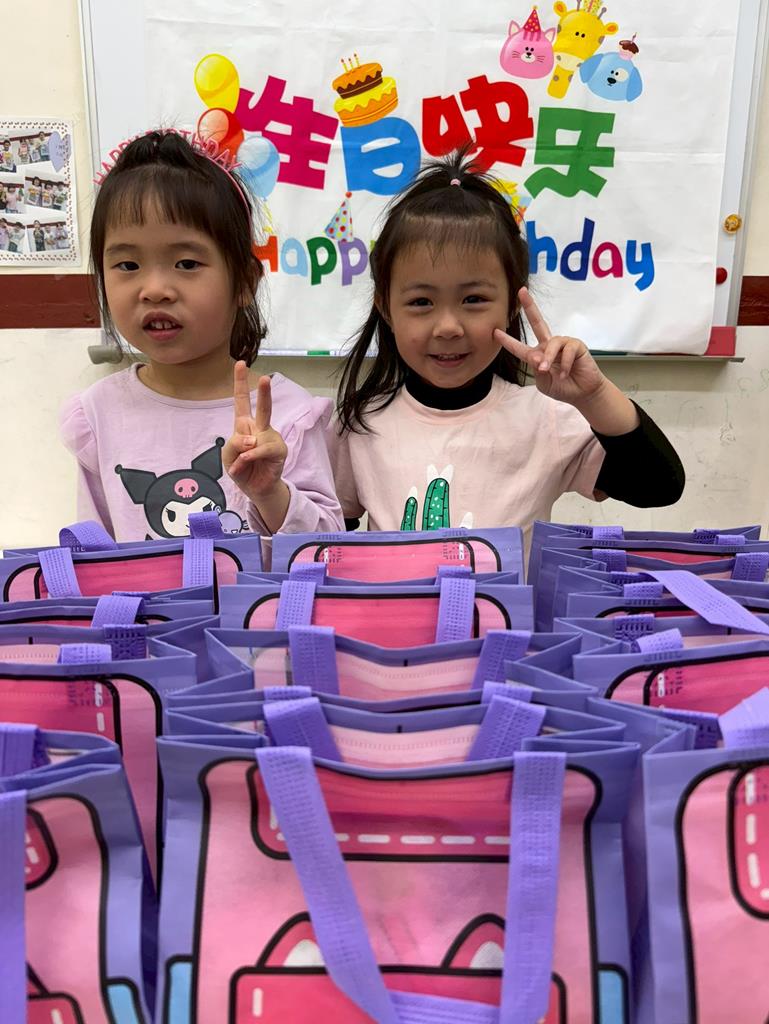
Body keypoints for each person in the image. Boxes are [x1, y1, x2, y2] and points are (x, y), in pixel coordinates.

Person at [330, 150, 684, 545]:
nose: (448, 327)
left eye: (474, 299)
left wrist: (594, 396)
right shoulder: (361, 422)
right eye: (421, 302)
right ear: (386, 308)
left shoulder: (545, 418)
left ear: (513, 303)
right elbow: (324, 536)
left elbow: (659, 486)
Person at [60, 129, 342, 541]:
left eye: (187, 264)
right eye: (127, 265)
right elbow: (90, 551)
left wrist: (270, 494)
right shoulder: (98, 414)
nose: (155, 289)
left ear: (244, 282)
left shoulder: (289, 415)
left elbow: (327, 547)